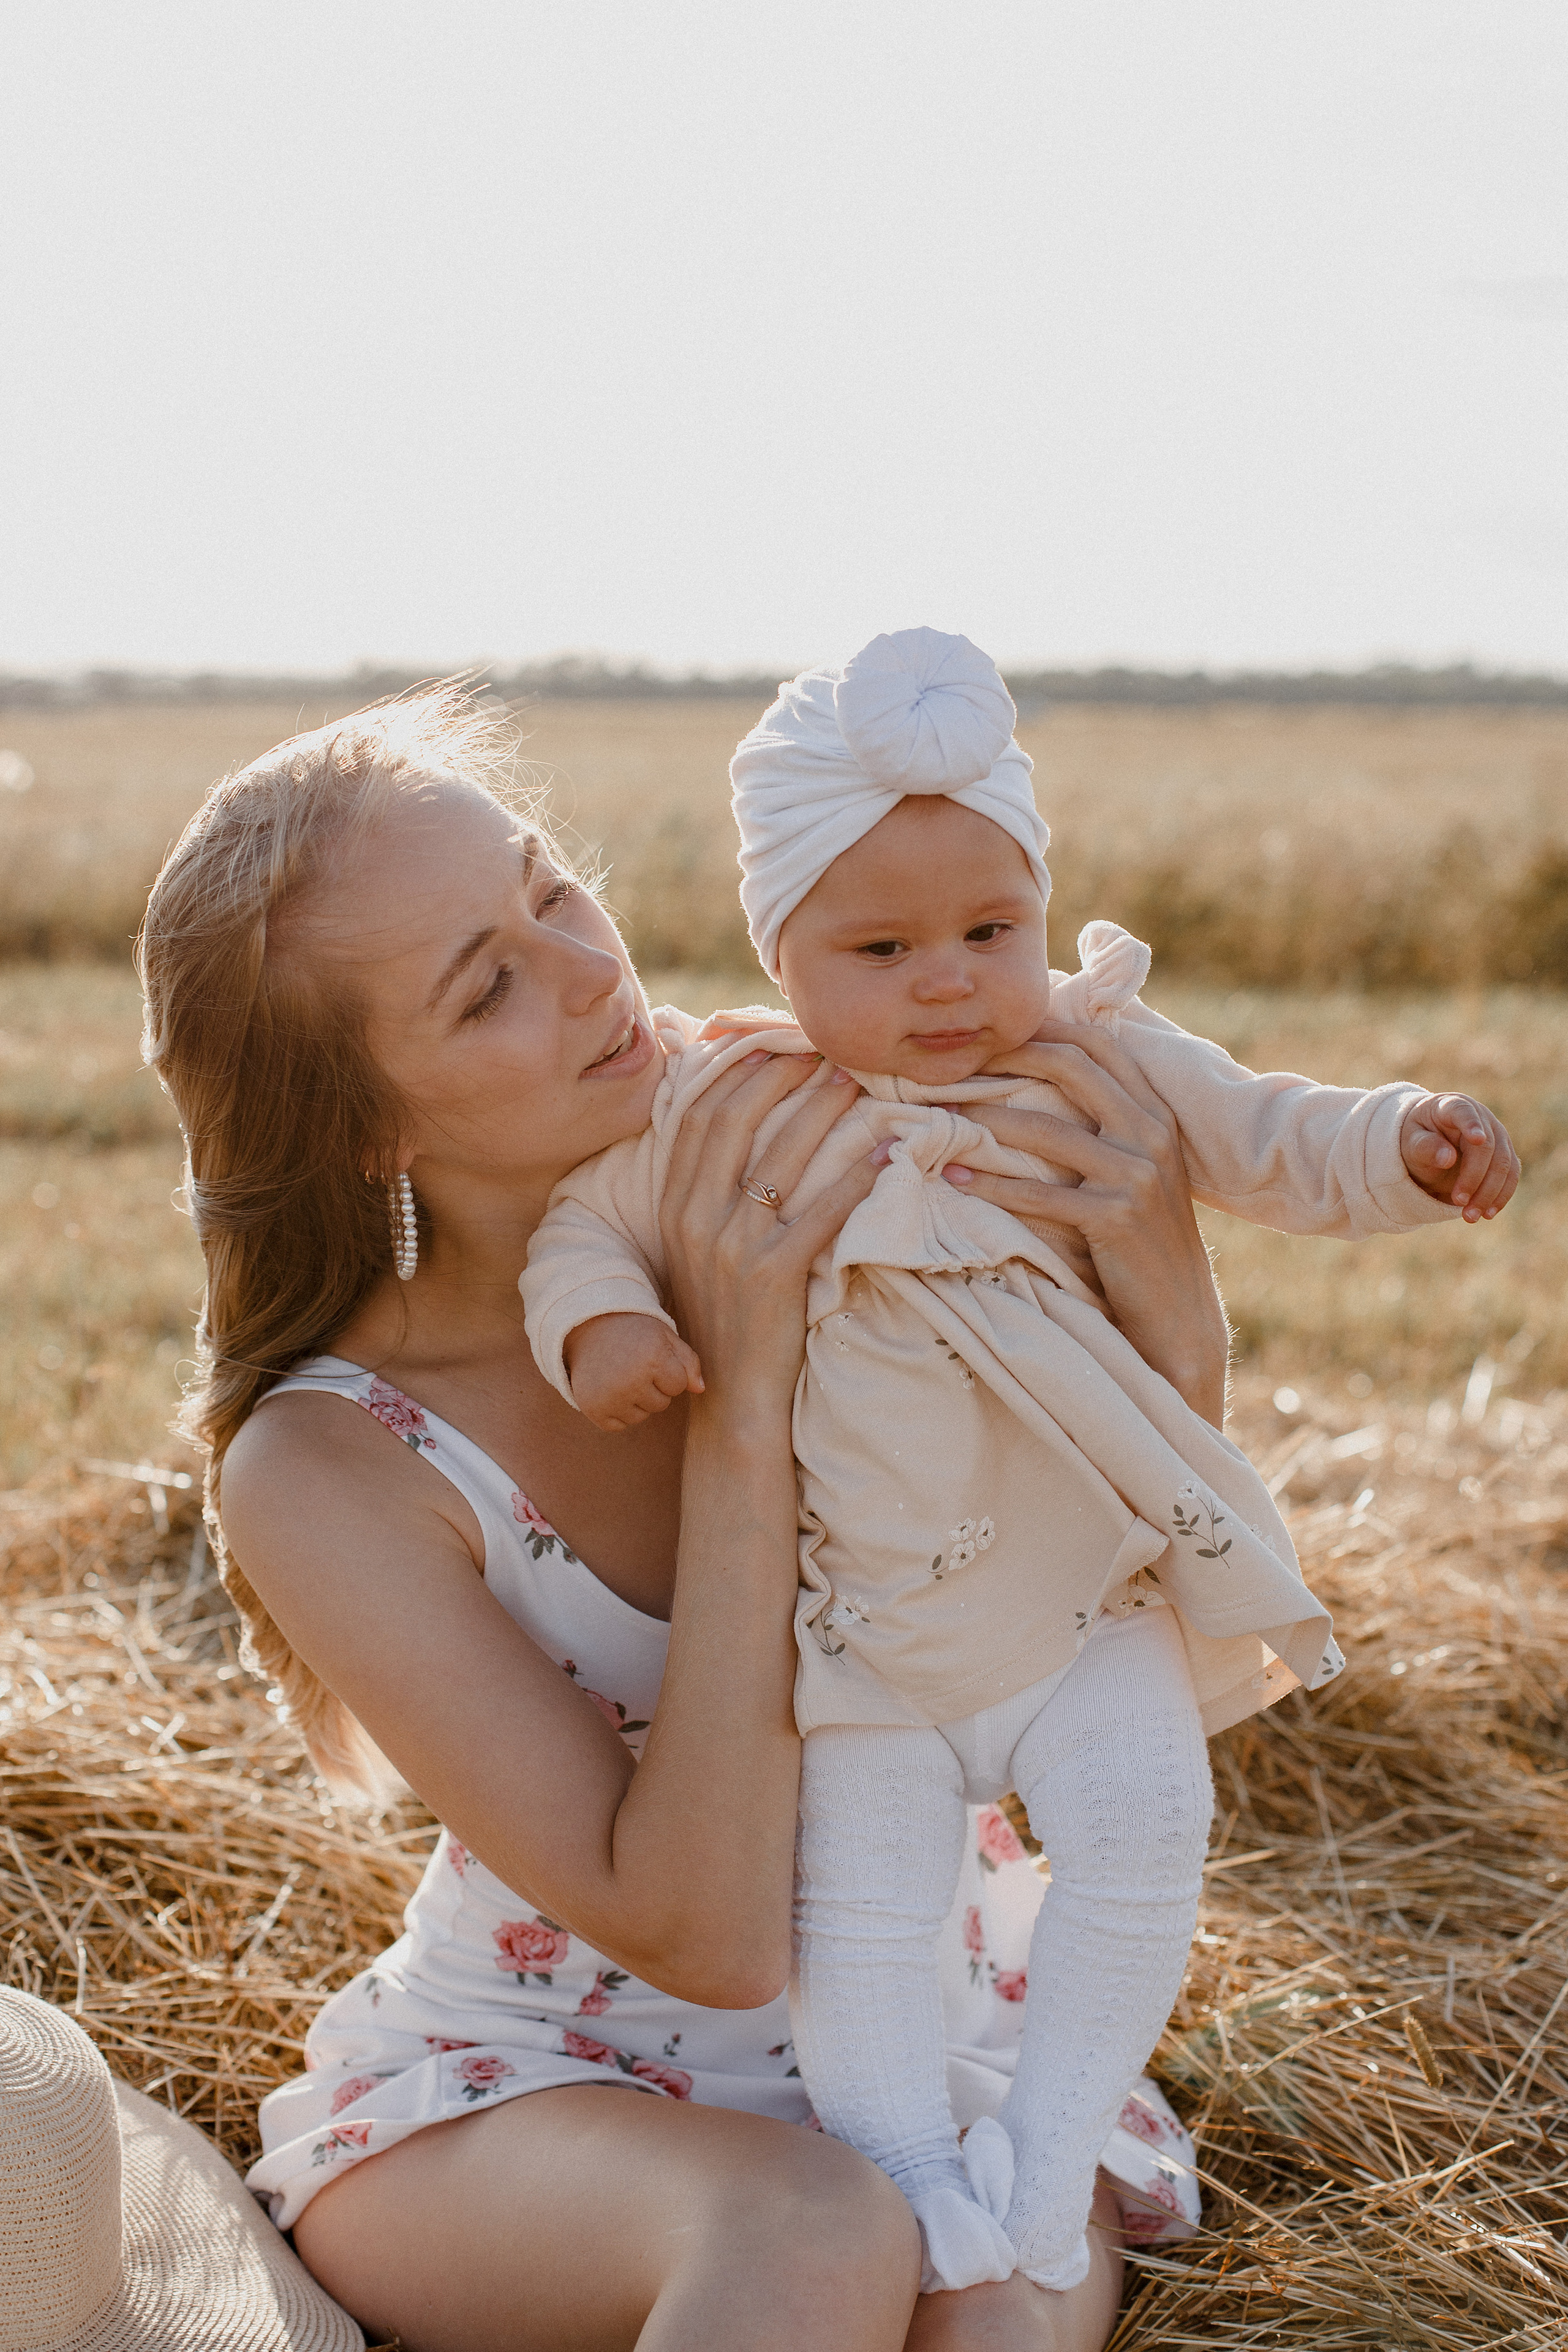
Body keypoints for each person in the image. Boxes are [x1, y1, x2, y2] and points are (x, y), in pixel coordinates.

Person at [137, 684, 1267, 2352]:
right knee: (813, 2226)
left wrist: (1174, 1298)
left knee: (986, 2309)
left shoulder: (815, 1133)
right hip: (527, 2092)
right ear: (368, 1123)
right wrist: (747, 1404)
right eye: (490, 988)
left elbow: (1114, 1575)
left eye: (549, 888)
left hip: (942, 2030)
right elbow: (713, 1939)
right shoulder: (333, 1463)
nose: (594, 968)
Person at [518, 629, 1520, 2298]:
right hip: (868, 1634)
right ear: (782, 952)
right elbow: (583, 1227)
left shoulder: (1101, 1055)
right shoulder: (729, 1105)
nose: (947, 981)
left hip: (1085, 1600)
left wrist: (1405, 1139)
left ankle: (1052, 2151)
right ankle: (909, 2164)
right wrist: (606, 1330)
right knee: (867, 1919)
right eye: (883, 945)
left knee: (1148, 1828)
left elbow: (1271, 1133)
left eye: (993, 930)